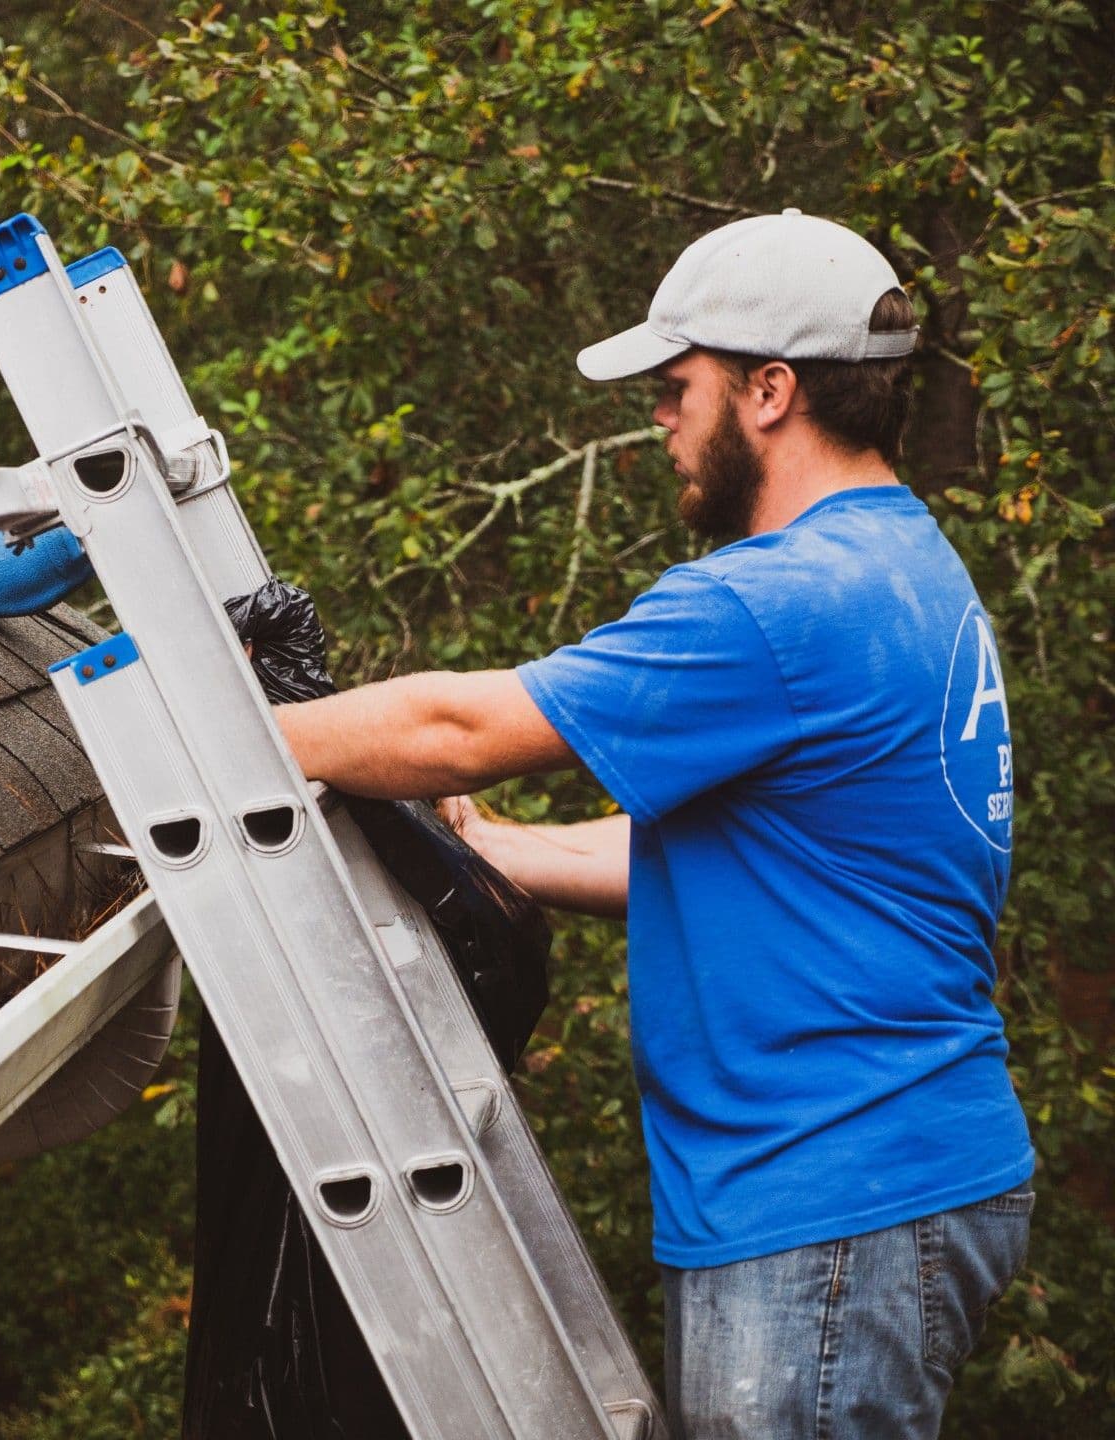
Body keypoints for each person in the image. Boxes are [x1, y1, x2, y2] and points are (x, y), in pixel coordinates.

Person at [275, 210, 1034, 1439]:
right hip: (891, 1175)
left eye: (678, 389)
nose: (662, 422)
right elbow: (771, 861)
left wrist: (217, 728)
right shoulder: (904, 567)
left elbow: (460, 729)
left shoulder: (779, 601)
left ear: (770, 391)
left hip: (824, 1199)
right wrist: (491, 850)